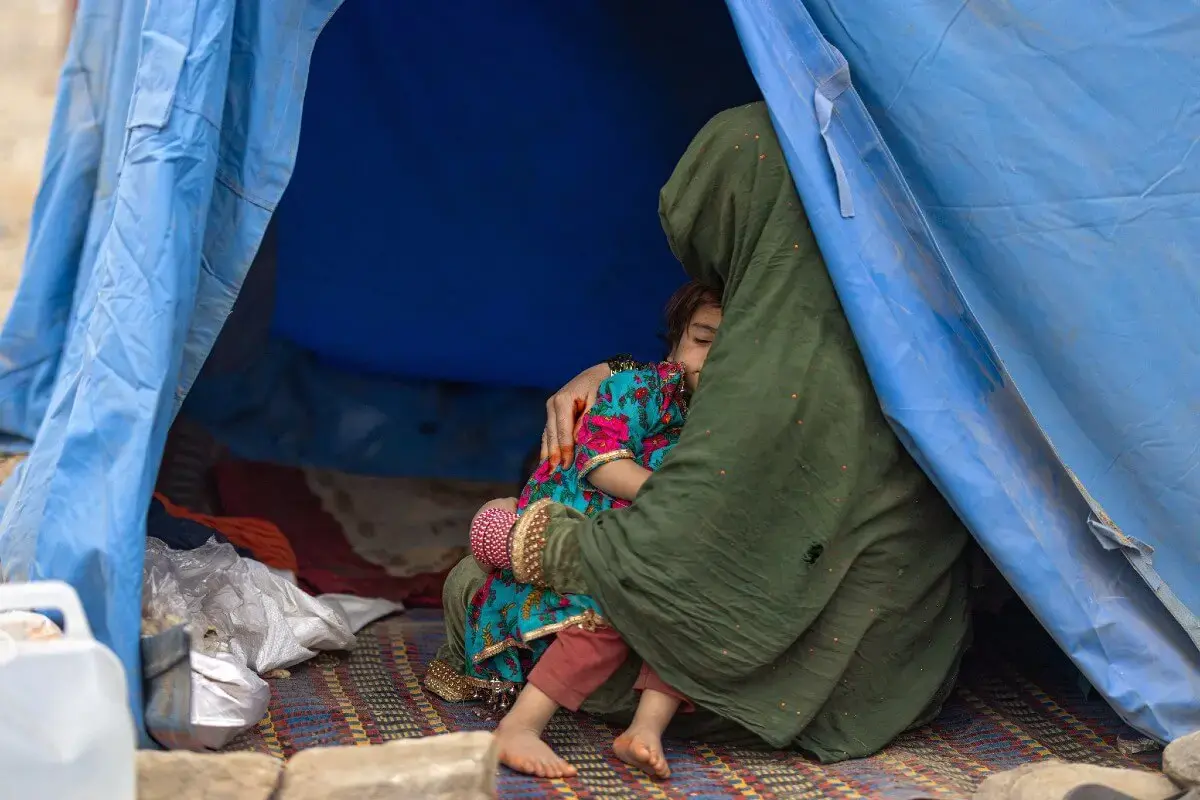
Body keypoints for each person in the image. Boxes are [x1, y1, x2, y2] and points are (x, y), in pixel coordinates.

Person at [424, 101, 971, 769]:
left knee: (477, 582)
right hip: (899, 665)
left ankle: (538, 716)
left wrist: (524, 538)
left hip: (770, 674)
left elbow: (684, 549)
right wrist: (615, 375)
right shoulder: (907, 314)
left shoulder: (761, 365)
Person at [462, 282, 721, 780]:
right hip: (595, 529)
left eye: (732, 349)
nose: (712, 360)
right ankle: (520, 726)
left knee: (688, 607)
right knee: (608, 607)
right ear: (674, 343)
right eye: (703, 340)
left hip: (664, 546)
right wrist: (673, 501)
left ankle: (645, 731)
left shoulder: (731, 422)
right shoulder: (641, 389)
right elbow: (603, 465)